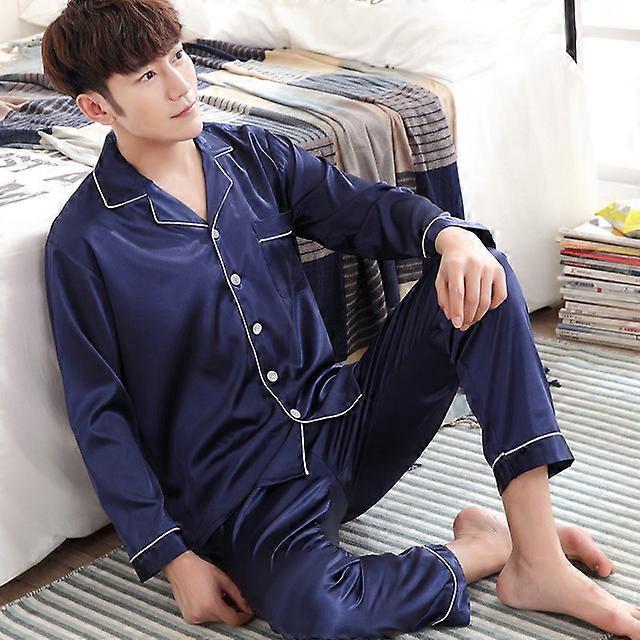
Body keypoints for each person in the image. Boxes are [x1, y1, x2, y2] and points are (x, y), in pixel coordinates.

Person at [40, 1, 640, 638]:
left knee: (482, 273)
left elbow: (364, 210)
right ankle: (481, 550)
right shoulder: (84, 243)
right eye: (147, 76)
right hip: (247, 497)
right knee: (320, 612)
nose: (180, 84)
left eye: (179, 57)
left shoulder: (253, 154)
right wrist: (173, 558)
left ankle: (538, 559)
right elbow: (99, 413)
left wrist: (452, 236)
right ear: (97, 107)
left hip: (347, 424)